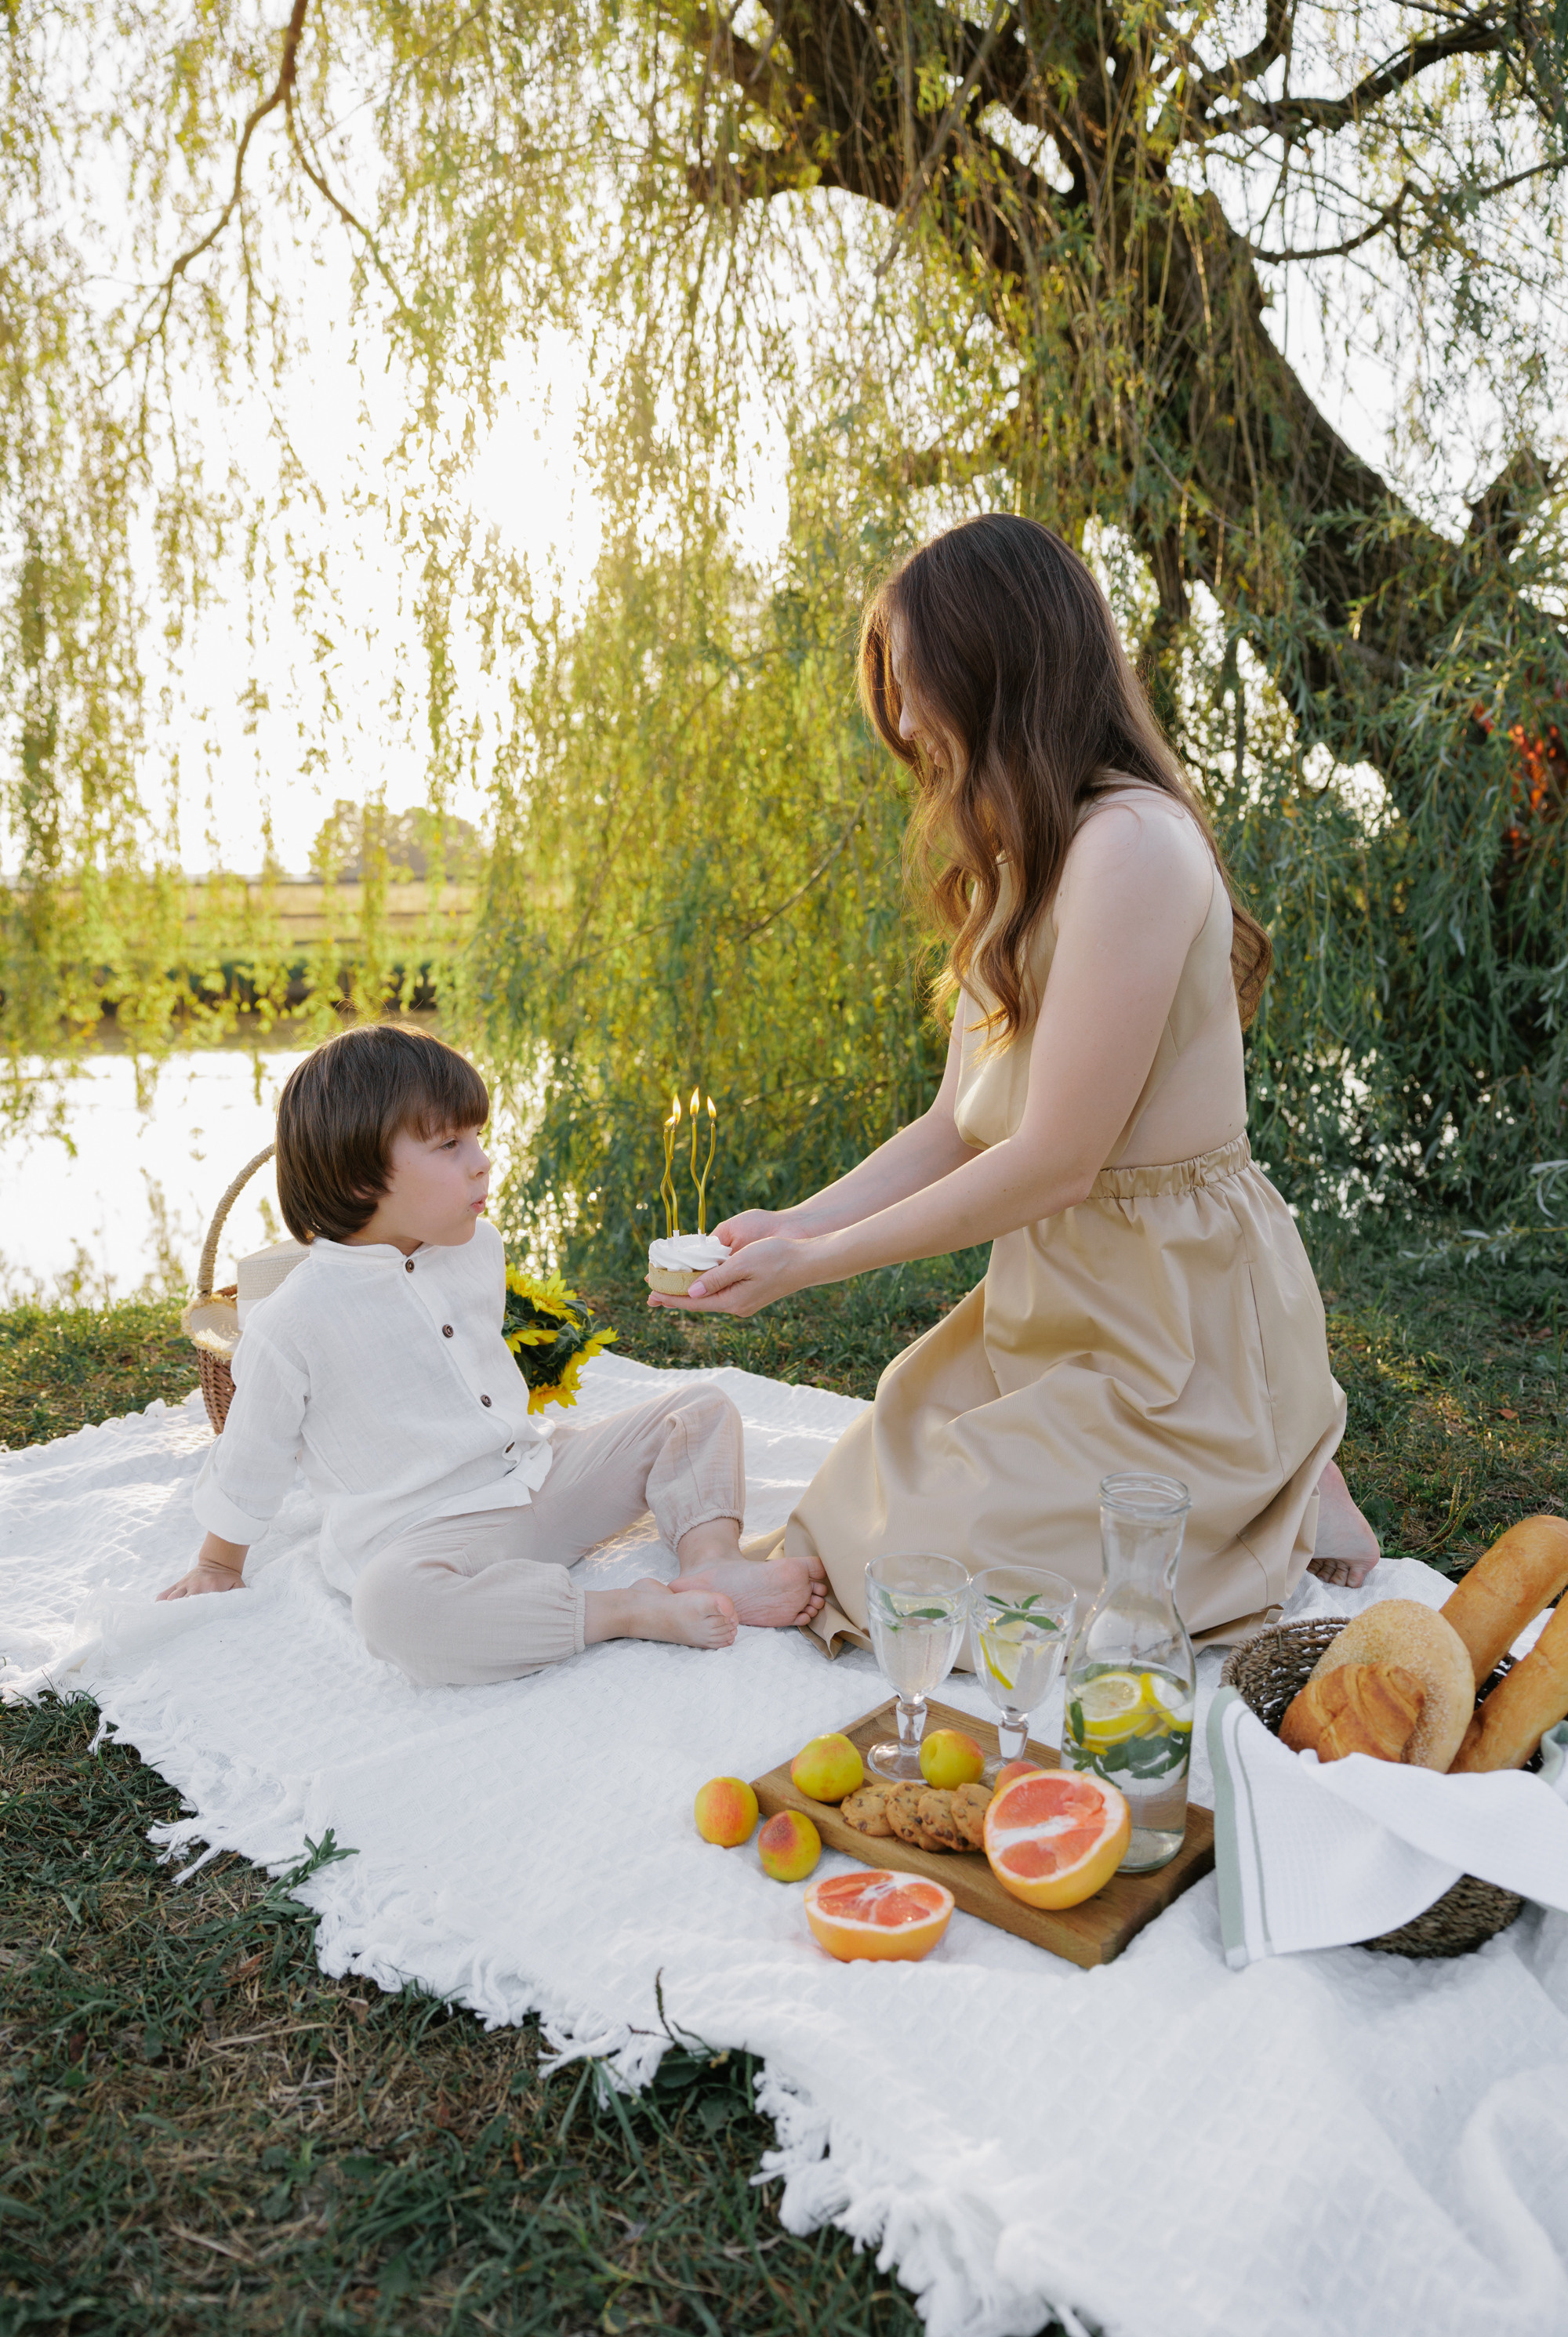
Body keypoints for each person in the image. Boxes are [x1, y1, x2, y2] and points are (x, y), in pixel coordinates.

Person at [655, 514, 1377, 1651]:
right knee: (858, 1502)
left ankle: (1281, 1469)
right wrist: (789, 1225)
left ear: (997, 665)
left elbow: (1053, 1160)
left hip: (1170, 1325)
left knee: (923, 1571)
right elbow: (956, 1127)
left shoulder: (1133, 848)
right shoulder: (1021, 863)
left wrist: (820, 1267)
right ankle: (1281, 1476)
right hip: (1052, 1299)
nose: (899, 719)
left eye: (913, 683)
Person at [158, 1024, 826, 1682]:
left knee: (701, 1410)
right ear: (359, 1176)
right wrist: (219, 1563)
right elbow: (252, 1452)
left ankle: (711, 1559)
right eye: (450, 1144)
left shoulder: (478, 1247)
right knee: (391, 1611)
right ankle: (619, 1610)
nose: (480, 1160)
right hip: (429, 1540)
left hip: (536, 1480)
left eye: (476, 1137)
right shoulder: (295, 1318)